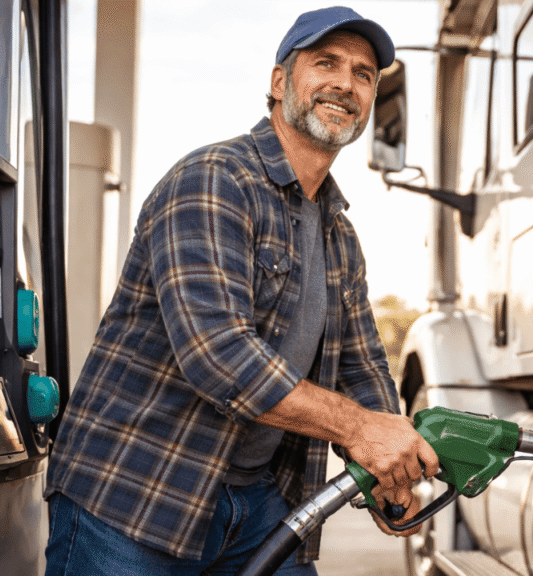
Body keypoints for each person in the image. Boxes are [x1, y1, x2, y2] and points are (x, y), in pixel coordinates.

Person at [43, 7, 438, 576]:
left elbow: (361, 362)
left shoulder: (338, 230)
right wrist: (359, 430)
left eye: (363, 74)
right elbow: (218, 355)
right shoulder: (213, 181)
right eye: (325, 63)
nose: (345, 83)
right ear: (279, 83)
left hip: (252, 497)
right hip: (135, 490)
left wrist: (389, 465)